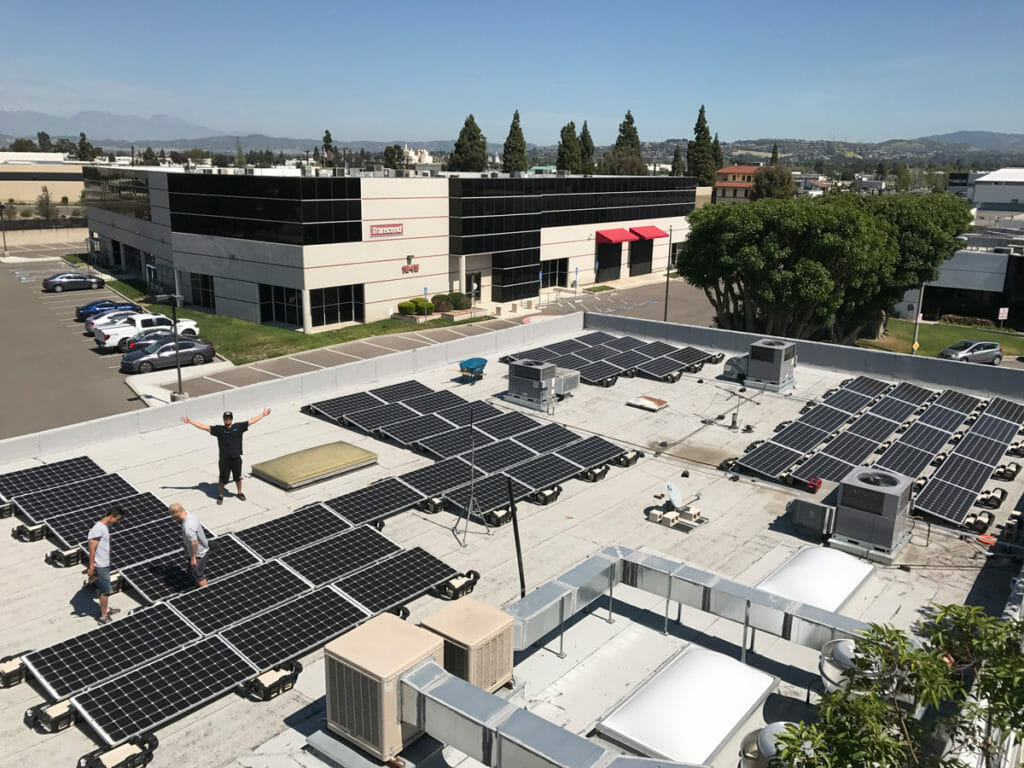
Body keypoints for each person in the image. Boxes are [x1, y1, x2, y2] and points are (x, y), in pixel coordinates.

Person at [182, 408, 271, 504]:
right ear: (224, 419)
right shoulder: (219, 430)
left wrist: (263, 415)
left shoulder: (239, 427)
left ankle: (239, 492)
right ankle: (220, 495)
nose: (227, 420)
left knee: (238, 477)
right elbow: (204, 427)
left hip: (236, 458)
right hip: (224, 460)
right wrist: (190, 421)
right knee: (222, 479)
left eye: (229, 418)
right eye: (226, 418)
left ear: (232, 419)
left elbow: (251, 421)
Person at [86, 506, 125, 624]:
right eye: (116, 519)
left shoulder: (103, 527)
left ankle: (106, 609)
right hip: (100, 565)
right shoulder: (98, 528)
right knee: (105, 591)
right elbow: (92, 549)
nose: (116, 522)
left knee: (102, 588)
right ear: (111, 516)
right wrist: (91, 567)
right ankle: (103, 617)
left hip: (104, 564)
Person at [168, 502, 210, 587]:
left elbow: (194, 542)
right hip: (200, 549)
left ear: (175, 515)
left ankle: (205, 590)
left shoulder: (188, 527)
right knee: (193, 573)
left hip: (198, 554)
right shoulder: (190, 515)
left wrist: (193, 558)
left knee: (198, 576)